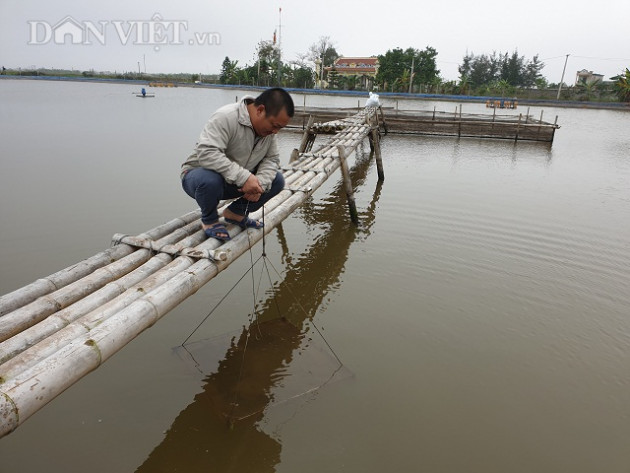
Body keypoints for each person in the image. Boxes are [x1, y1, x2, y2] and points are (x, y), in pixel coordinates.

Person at [181, 87, 294, 241]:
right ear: (260, 110)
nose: (276, 132)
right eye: (274, 126)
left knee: (277, 181)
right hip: (199, 178)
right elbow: (207, 153)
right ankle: (209, 220)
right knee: (209, 181)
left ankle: (236, 213)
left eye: (280, 128)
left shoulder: (268, 132)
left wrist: (259, 184)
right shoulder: (226, 117)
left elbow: (271, 160)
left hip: (234, 183)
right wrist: (244, 178)